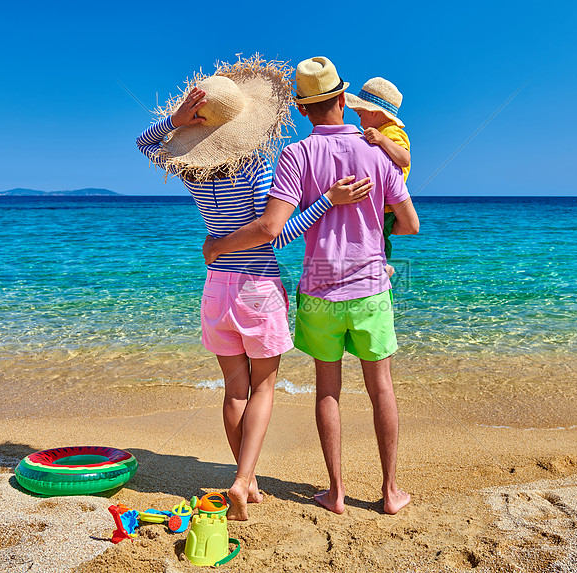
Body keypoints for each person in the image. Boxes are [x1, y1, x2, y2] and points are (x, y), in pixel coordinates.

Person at [135, 56, 371, 521]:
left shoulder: (192, 170)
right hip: (257, 287)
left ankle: (250, 479)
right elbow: (275, 232)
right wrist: (328, 200)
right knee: (263, 389)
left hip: (216, 289)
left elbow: (145, 145)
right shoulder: (257, 167)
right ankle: (242, 480)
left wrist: (175, 121)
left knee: (234, 391)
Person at [203, 56, 419, 515]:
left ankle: (336, 492)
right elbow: (411, 224)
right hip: (370, 288)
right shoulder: (377, 152)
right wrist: (377, 232)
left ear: (303, 109)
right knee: (381, 387)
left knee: (327, 390)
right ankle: (389, 491)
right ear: (344, 99)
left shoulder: (295, 155)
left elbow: (277, 232)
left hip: (319, 290)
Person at [345, 78, 411, 279]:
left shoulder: (391, 132)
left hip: (388, 205)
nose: (358, 117)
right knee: (374, 239)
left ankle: (384, 268)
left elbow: (404, 158)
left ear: (374, 112)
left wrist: (382, 140)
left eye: (361, 112)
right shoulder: (377, 132)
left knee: (379, 240)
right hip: (381, 202)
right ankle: (379, 267)